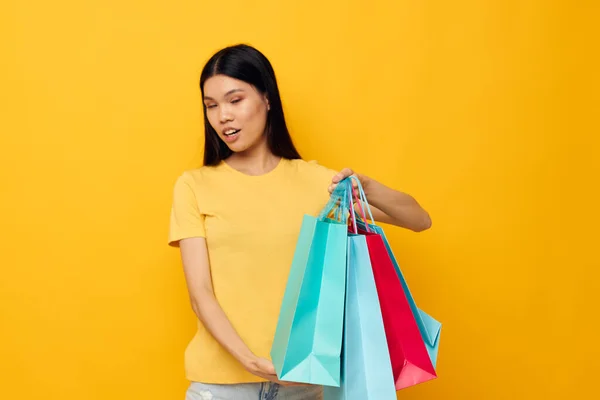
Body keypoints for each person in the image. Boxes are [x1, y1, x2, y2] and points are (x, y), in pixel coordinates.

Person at [168, 44, 432, 400]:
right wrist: (251, 361)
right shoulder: (194, 186)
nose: (222, 117)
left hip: (302, 386)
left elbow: (419, 219)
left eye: (235, 100)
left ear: (267, 98)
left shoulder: (316, 183)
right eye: (211, 106)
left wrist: (367, 187)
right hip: (221, 387)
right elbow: (200, 294)